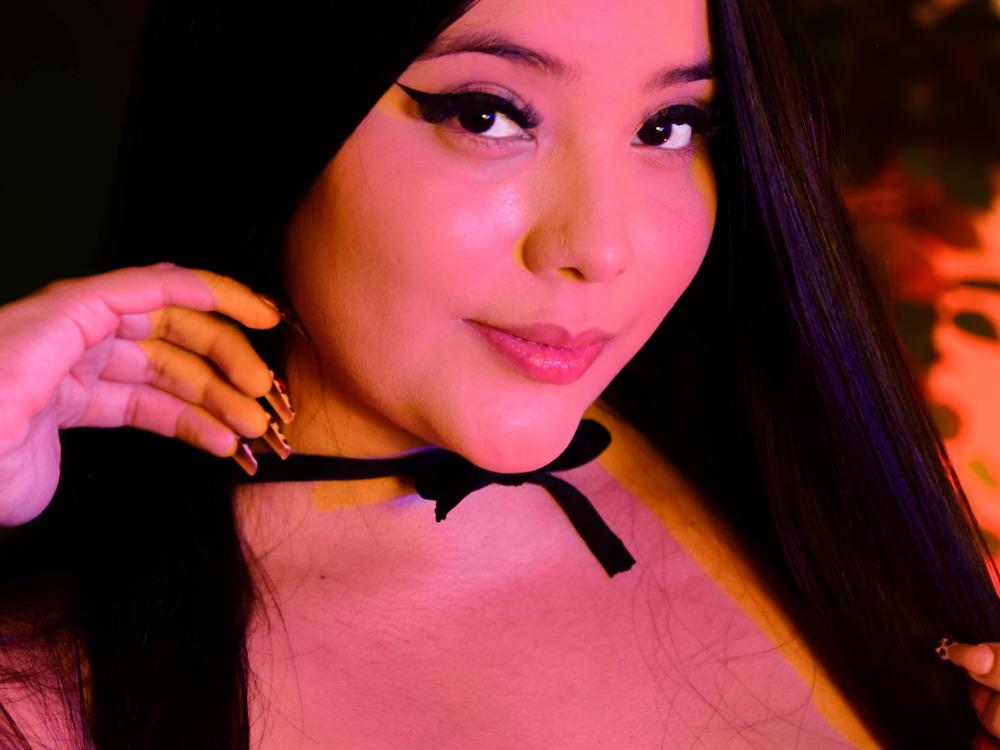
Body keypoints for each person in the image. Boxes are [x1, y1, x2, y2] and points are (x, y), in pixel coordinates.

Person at [0, 0, 998, 747]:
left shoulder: (796, 494)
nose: (601, 248)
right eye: (485, 115)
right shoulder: (56, 691)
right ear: (271, 107)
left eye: (668, 126)